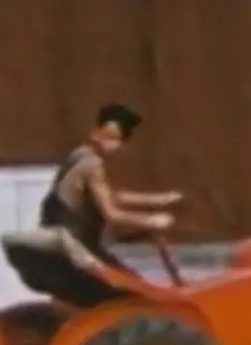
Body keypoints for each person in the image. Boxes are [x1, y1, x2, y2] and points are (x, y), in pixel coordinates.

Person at [39, 103, 181, 269]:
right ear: (95, 131)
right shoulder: (92, 165)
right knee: (126, 281)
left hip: (59, 232)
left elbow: (111, 196)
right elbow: (112, 214)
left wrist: (158, 200)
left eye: (115, 139)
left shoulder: (79, 153)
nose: (109, 144)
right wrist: (151, 221)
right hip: (75, 243)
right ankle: (178, 286)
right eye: (107, 137)